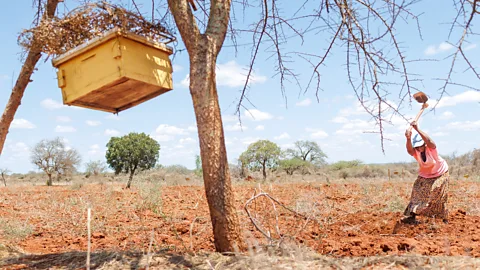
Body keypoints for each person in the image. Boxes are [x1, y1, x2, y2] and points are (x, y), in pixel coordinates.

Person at [402, 118, 449, 224]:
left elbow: (430, 141)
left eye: (420, 146)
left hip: (440, 173)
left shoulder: (431, 149)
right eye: (417, 147)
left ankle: (442, 218)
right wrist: (408, 138)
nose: (419, 148)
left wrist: (417, 129)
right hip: (426, 175)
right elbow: (409, 150)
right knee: (417, 192)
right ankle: (411, 216)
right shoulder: (415, 152)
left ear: (424, 145)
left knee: (437, 193)